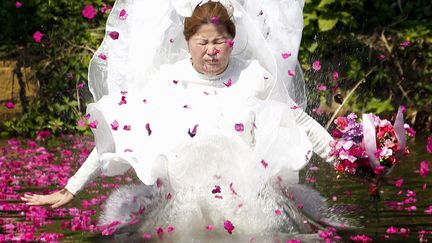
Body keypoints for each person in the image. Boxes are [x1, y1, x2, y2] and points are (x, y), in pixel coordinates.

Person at [22, 0, 335, 235]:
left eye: (219, 42)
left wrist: (347, 159)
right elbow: (120, 135)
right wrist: (71, 188)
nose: (212, 51)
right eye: (203, 42)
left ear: (232, 41)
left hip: (248, 204)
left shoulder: (253, 75)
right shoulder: (167, 80)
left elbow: (300, 121)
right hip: (184, 204)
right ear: (188, 42)